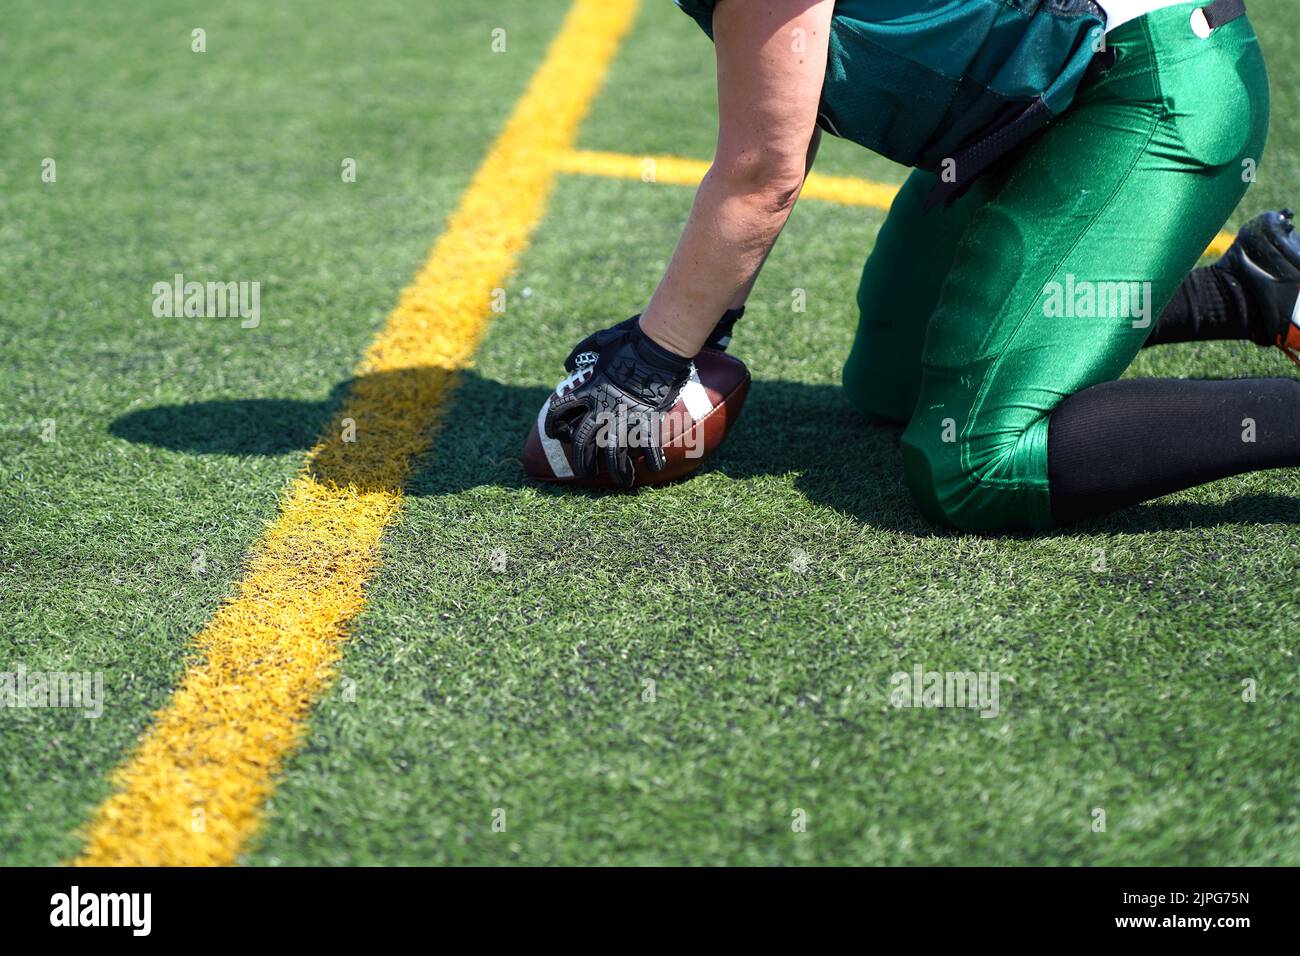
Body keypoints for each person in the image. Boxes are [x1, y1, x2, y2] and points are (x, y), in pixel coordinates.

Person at [544, 0, 1300, 531]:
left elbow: (761, 177)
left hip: (1148, 85)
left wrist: (652, 362)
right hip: (1037, 111)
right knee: (890, 383)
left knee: (973, 460)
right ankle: (1242, 293)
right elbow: (782, 111)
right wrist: (701, 325)